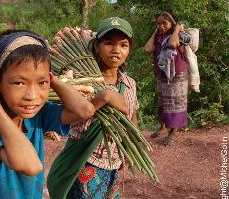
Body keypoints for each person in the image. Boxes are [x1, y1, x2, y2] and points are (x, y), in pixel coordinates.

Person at [0, 30, 96, 198]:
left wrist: (50, 79)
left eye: (41, 83)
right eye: (19, 82)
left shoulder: (39, 114)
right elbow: (31, 166)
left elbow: (85, 110)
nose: (32, 96)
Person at [48, 17, 139, 199]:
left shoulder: (130, 84)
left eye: (123, 45)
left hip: (114, 162)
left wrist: (131, 147)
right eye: (108, 43)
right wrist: (102, 98)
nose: (116, 50)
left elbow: (132, 115)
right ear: (97, 46)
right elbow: (71, 121)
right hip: (87, 162)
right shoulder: (81, 81)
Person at [144, 11, 191, 145]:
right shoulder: (159, 35)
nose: (161, 26)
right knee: (163, 101)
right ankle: (163, 127)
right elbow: (147, 48)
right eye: (158, 23)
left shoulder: (181, 35)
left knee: (175, 102)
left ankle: (174, 132)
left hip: (177, 73)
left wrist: (176, 29)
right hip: (162, 72)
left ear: (172, 23)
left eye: (164, 23)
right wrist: (155, 32)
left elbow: (173, 44)